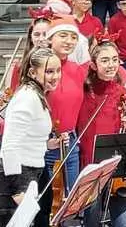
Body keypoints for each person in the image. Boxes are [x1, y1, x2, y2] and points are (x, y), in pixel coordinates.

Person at [78, 37, 126, 227]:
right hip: (90, 165)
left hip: (116, 164)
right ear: (93, 64)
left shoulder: (122, 92)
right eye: (105, 60)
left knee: (122, 222)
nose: (111, 65)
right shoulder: (84, 90)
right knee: (92, 220)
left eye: (114, 59)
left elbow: (123, 126)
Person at [0, 48, 61, 226]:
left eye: (58, 71)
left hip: (35, 170)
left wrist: (48, 145)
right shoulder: (27, 97)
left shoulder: (36, 94)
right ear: (33, 72)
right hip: (22, 176)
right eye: (49, 71)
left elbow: (29, 138)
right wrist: (17, 188)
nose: (56, 76)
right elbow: (9, 146)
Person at [38, 16, 87, 224]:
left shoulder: (78, 70)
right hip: (45, 143)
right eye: (63, 35)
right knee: (44, 204)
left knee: (70, 205)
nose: (68, 41)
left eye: (73, 37)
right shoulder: (39, 67)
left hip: (71, 142)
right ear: (51, 38)